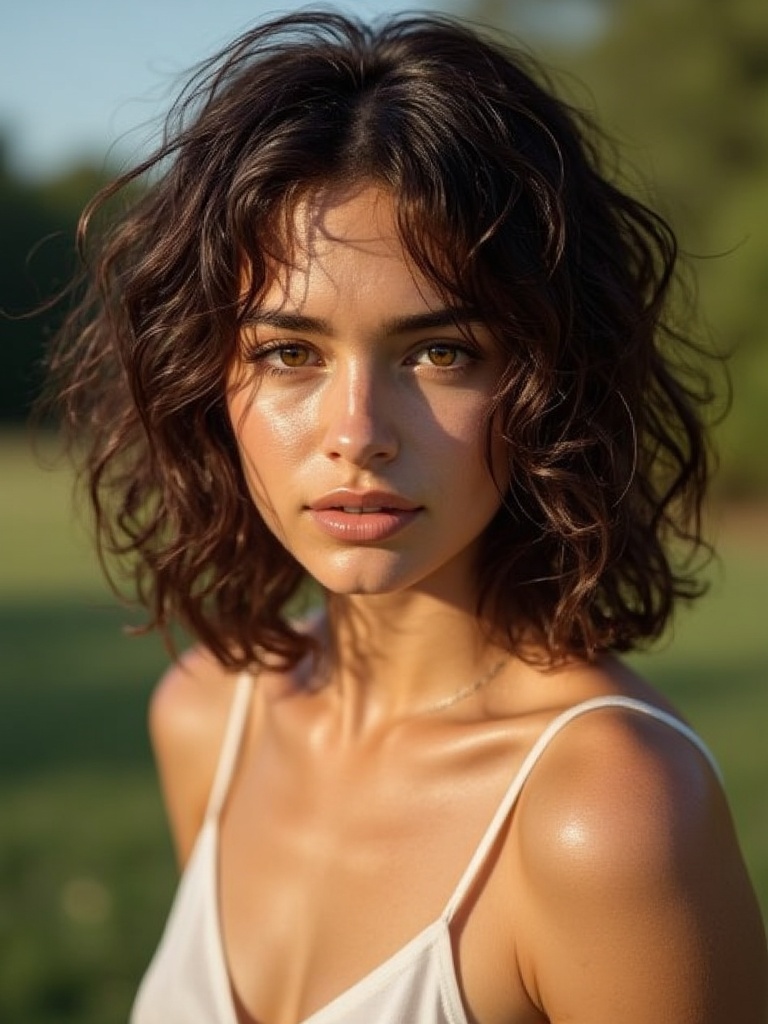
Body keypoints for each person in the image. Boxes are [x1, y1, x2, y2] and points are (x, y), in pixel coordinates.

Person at [46, 10, 767, 1023]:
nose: (358, 433)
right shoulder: (209, 716)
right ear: (209, 379)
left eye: (440, 352)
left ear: (547, 381)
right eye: (291, 352)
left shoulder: (605, 814)